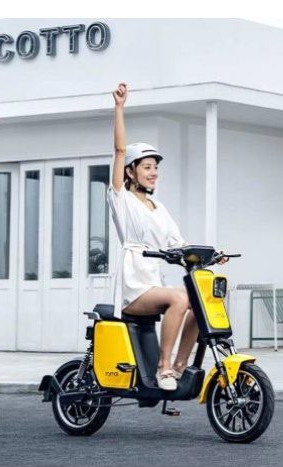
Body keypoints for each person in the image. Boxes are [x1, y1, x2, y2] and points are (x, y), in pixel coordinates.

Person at [108, 82, 227, 391]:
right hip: (133, 286)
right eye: (147, 167)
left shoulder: (157, 207)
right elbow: (119, 150)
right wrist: (119, 107)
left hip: (153, 282)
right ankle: (164, 368)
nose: (153, 173)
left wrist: (212, 255)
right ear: (130, 171)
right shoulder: (121, 199)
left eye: (156, 169)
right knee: (180, 297)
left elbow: (179, 243)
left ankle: (179, 366)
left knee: (200, 301)